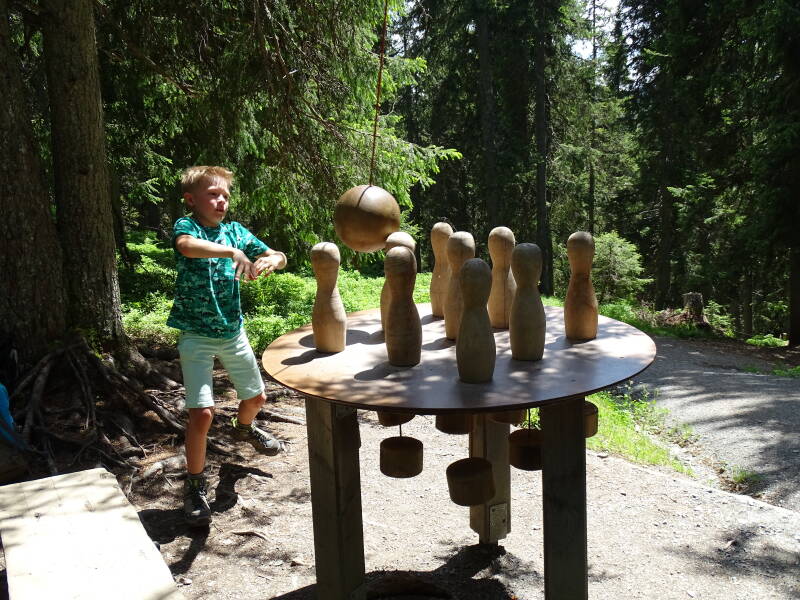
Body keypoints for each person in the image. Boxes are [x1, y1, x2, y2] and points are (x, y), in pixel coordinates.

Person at [167, 165, 287, 526]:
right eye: (213, 195)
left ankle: (243, 428)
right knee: (201, 413)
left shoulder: (236, 231)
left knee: (257, 399)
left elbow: (277, 254)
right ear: (191, 200)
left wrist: (271, 259)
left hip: (233, 332)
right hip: (195, 334)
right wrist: (230, 253)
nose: (221, 201)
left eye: (225, 196)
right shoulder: (188, 227)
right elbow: (186, 247)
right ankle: (194, 486)